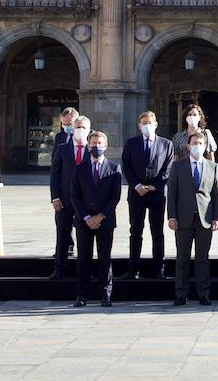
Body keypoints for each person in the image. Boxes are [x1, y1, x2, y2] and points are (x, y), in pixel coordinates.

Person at [166, 130, 218, 306]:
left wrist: (216, 217)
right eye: (194, 143)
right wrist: (172, 216)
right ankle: (181, 293)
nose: (197, 146)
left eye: (201, 143)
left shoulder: (213, 167)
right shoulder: (178, 166)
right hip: (183, 218)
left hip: (205, 218)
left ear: (205, 146)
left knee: (202, 258)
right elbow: (172, 192)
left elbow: (216, 194)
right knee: (182, 257)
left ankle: (203, 293)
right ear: (188, 146)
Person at [120, 110, 173, 279]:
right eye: (144, 123)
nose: (147, 126)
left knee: (157, 231)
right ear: (139, 125)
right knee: (136, 230)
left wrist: (153, 186)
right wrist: (136, 185)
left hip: (156, 194)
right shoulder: (131, 143)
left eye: (150, 123)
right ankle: (133, 268)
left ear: (156, 124)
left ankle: (159, 268)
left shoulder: (166, 144)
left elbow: (168, 169)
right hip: (136, 193)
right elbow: (126, 167)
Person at [72, 129, 122, 307]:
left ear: (106, 146)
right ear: (88, 145)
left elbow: (115, 197)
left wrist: (100, 216)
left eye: (100, 143)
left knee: (104, 258)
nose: (96, 146)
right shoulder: (80, 169)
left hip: (105, 221)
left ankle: (106, 294)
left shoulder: (114, 168)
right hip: (83, 221)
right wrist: (86, 217)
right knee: (83, 259)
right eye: (93, 144)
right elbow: (75, 196)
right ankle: (82, 295)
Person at [48, 111, 84, 278]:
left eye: (71, 124)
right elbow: (55, 172)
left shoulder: (92, 143)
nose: (69, 128)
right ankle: (59, 268)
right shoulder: (61, 143)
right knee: (62, 233)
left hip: (85, 199)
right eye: (65, 125)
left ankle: (85, 269)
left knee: (85, 235)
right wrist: (55, 197)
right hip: (64, 197)